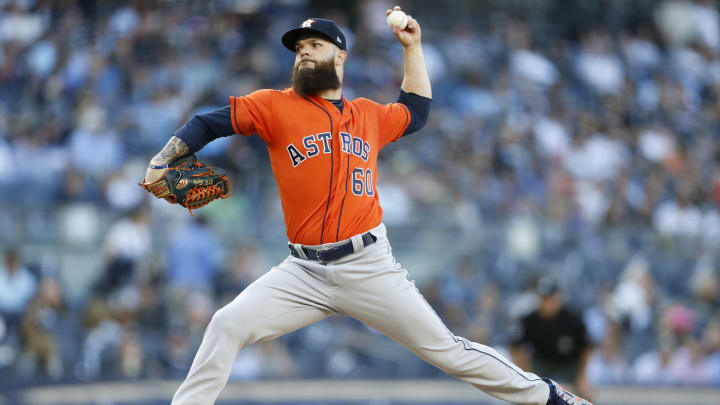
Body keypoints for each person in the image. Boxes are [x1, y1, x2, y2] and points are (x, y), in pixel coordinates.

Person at [142, 7, 593, 405]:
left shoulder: (368, 115)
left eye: (314, 45)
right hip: (302, 272)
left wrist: (411, 47)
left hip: (369, 266)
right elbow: (208, 122)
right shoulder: (274, 106)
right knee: (226, 324)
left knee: (450, 352)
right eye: (298, 47)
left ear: (340, 56)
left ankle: (550, 397)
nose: (303, 53)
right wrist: (167, 157)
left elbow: (416, 110)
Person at [510, 277, 593, 400]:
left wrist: (582, 376)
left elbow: (586, 347)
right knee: (523, 394)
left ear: (558, 298)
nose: (547, 303)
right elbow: (514, 346)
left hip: (569, 366)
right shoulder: (530, 320)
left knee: (586, 394)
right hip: (541, 364)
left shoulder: (572, 319)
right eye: (543, 299)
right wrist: (524, 373)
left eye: (550, 298)